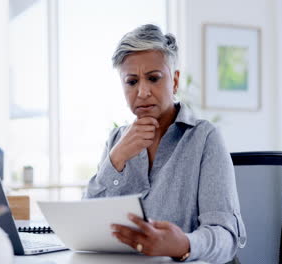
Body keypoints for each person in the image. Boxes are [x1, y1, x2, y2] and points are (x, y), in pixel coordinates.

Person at [85, 24, 246, 263]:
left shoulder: (204, 138)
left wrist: (184, 244)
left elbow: (226, 237)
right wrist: (116, 159)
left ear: (175, 81)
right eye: (131, 82)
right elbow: (87, 224)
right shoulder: (116, 141)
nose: (142, 92)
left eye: (153, 78)